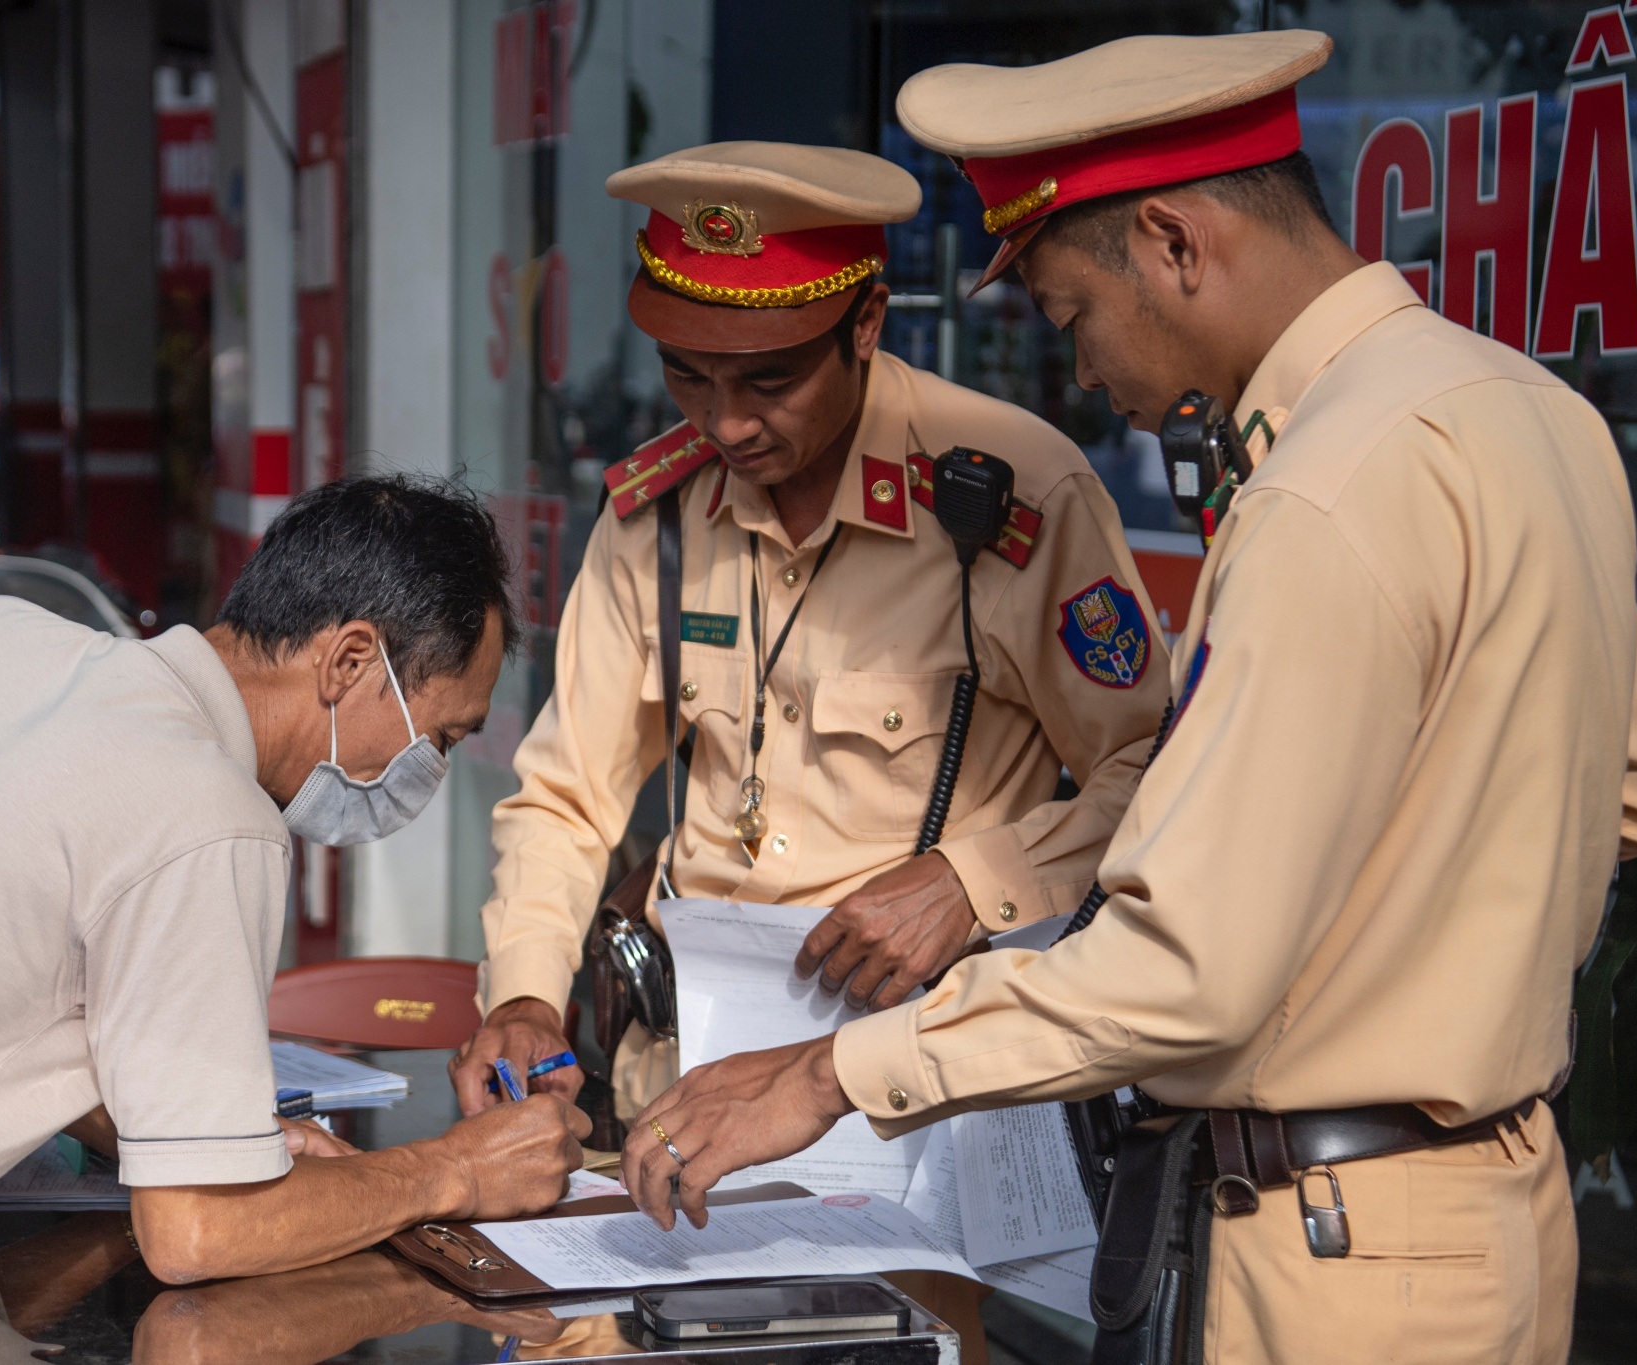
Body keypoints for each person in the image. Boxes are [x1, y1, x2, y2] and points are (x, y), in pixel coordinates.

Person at [618, 32, 1637, 1365]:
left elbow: (1187, 974)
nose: (1079, 372)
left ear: (1175, 243)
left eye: (1074, 313)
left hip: (1337, 1249)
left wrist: (825, 1076)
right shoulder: (1529, 412)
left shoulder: (1321, 489)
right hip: (1499, 1211)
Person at [0, 477, 588, 1362]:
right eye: (442, 737)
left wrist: (217, 1135)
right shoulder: (205, 814)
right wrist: (456, 1172)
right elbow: (193, 1231)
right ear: (350, 662)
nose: (428, 768)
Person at [452, 140, 1170, 1122]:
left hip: (904, 1102)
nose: (725, 424)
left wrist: (971, 884)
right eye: (686, 377)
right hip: (672, 1091)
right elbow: (566, 798)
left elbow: (1157, 779)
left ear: (865, 322)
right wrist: (527, 1000)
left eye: (767, 381)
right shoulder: (654, 516)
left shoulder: (1011, 497)